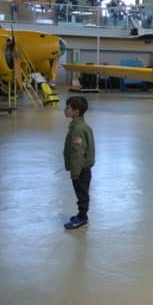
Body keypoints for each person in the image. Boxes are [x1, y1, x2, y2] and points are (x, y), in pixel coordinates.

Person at [62, 96, 95, 230]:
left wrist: (75, 173)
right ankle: (81, 214)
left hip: (80, 169)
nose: (65, 110)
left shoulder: (77, 130)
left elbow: (77, 153)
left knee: (81, 194)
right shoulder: (80, 126)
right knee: (82, 192)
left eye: (68, 108)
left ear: (76, 111)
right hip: (83, 168)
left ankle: (82, 217)